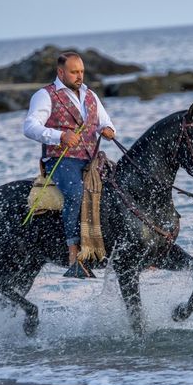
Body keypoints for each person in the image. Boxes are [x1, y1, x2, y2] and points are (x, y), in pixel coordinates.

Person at [23, 51, 116, 270]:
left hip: (92, 158)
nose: (79, 76)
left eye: (81, 71)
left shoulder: (90, 95)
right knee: (75, 193)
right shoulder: (45, 95)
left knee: (121, 186)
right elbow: (29, 127)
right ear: (60, 72)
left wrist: (109, 129)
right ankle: (74, 253)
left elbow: (104, 121)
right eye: (74, 72)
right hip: (61, 159)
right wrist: (60, 136)